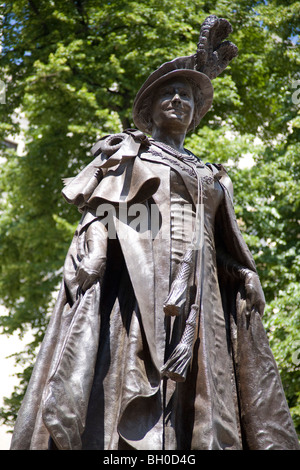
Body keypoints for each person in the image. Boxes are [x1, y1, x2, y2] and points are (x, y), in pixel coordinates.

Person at [10, 16, 299, 450]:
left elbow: (216, 245)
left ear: (195, 115)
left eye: (187, 97)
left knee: (204, 389)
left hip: (203, 301)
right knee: (135, 374)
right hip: (142, 290)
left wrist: (244, 274)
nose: (179, 100)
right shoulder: (133, 156)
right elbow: (106, 215)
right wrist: (95, 254)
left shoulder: (212, 176)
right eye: (170, 94)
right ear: (151, 110)